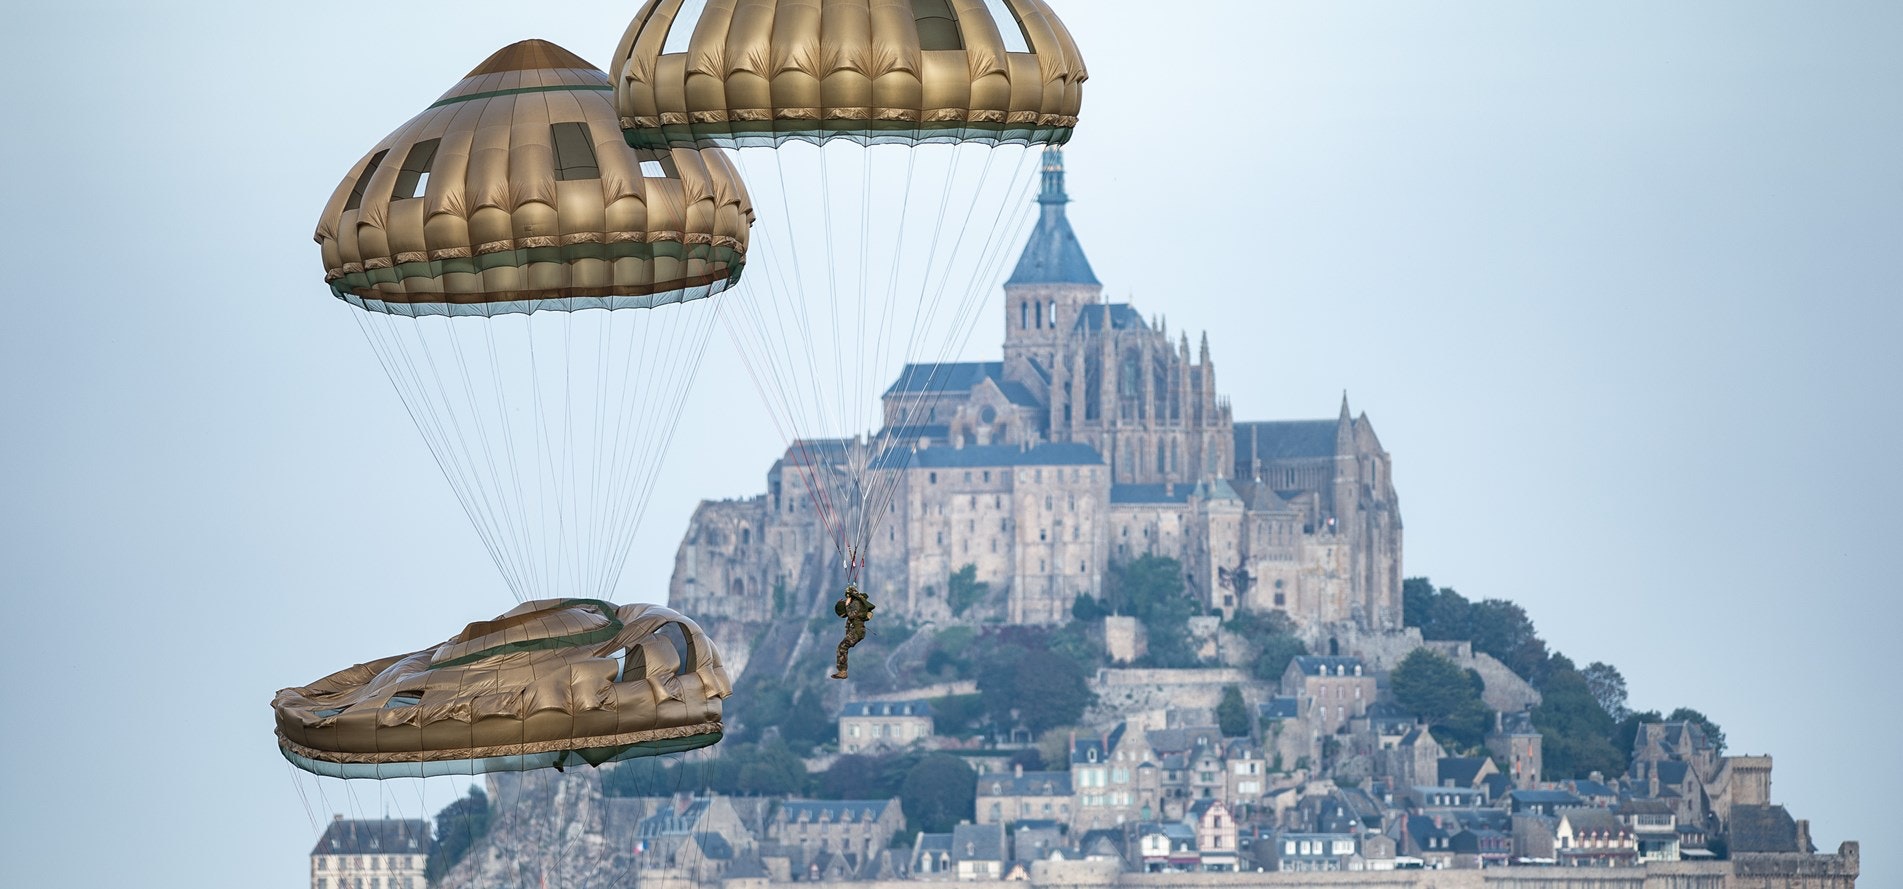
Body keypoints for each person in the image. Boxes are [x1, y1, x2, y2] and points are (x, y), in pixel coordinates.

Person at [831, 582, 875, 679]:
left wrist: (847, 604)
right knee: (843, 647)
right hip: (857, 631)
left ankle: (842, 671)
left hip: (858, 631)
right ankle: (842, 671)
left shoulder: (856, 604)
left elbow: (852, 615)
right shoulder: (856, 602)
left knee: (841, 647)